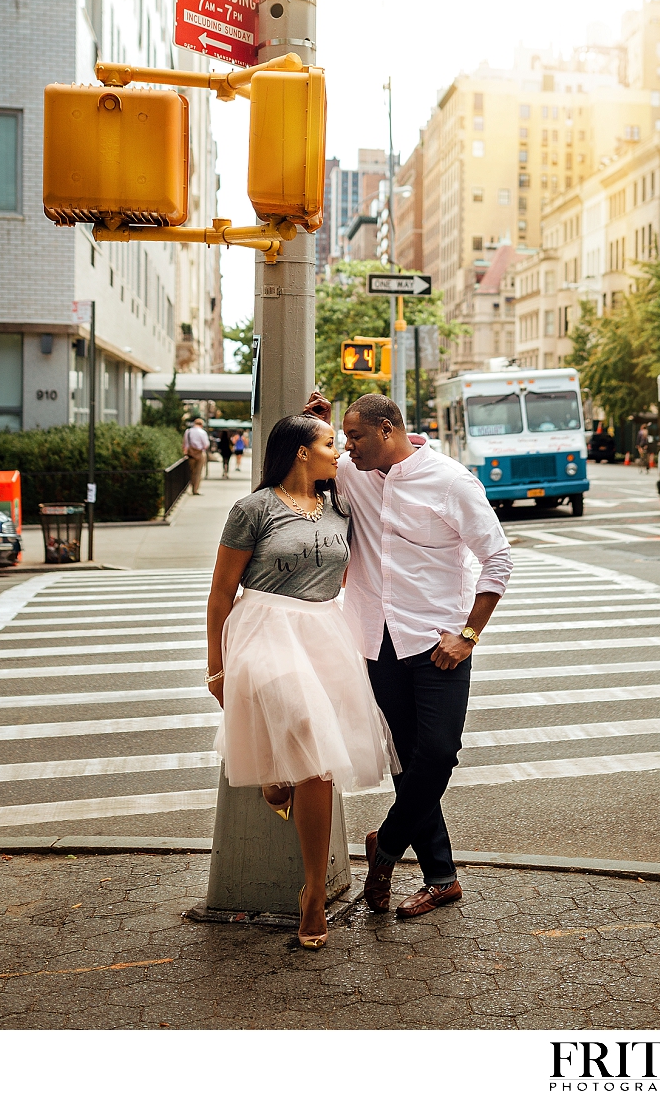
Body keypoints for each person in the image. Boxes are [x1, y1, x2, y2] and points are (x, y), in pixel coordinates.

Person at [304, 386, 512, 920]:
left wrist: (468, 634)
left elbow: (497, 559)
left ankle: (387, 850)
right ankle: (442, 878)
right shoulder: (352, 472)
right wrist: (319, 426)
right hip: (375, 640)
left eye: (355, 437)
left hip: (437, 642)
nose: (347, 448)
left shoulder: (450, 482)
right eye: (343, 439)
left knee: (439, 754)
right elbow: (305, 471)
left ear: (388, 432)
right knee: (405, 763)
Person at [206, 413, 394, 949]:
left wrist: (330, 420)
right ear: (299, 453)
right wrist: (214, 665)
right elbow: (221, 594)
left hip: (324, 630)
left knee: (318, 764)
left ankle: (313, 892)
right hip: (264, 626)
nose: (339, 452)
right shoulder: (253, 510)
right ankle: (276, 774)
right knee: (308, 728)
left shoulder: (338, 507)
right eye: (330, 443)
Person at [183, 416, 211, 495]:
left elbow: (185, 444)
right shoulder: (202, 432)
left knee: (192, 471)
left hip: (190, 454)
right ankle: (195, 489)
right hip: (200, 453)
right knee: (198, 472)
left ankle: (191, 487)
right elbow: (206, 444)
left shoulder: (188, 431)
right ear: (201, 424)